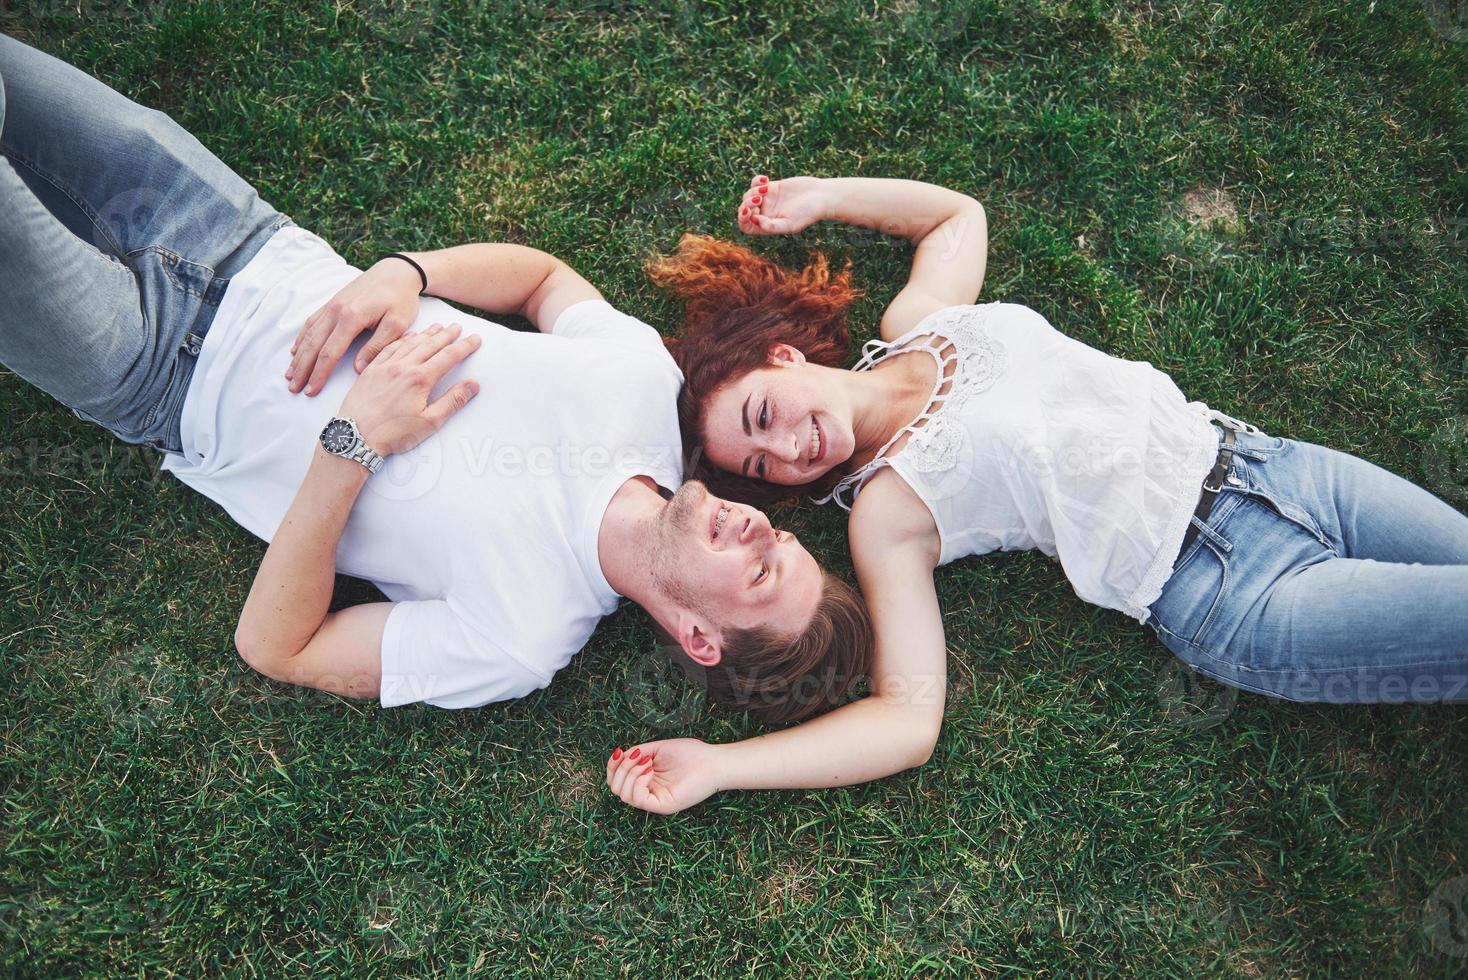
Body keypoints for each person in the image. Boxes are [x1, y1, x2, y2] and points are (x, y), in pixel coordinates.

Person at [0, 35, 873, 725]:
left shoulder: (521, 636)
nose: (761, 529)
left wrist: (353, 445)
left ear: (698, 638)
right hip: (240, 233)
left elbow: (278, 647)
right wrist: (405, 273)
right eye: (783, 544)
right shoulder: (644, 386)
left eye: (759, 575)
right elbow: (542, 282)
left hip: (157, 375)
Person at [603, 174, 1468, 814]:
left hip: (1278, 467)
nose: (788, 449)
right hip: (1232, 593)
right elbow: (909, 721)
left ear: (784, 359)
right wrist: (721, 766)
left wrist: (822, 197)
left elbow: (954, 218)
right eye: (760, 468)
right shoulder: (887, 513)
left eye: (762, 415)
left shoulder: (922, 327)